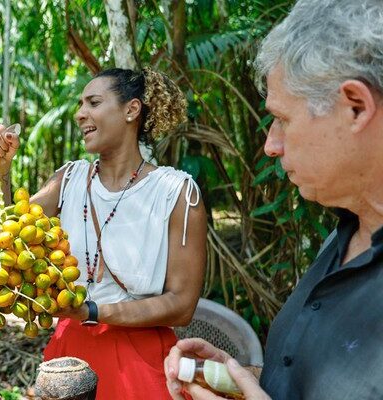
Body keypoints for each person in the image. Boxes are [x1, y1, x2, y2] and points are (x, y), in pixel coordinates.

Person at [163, 1, 383, 399]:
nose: (270, 145)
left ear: (356, 107)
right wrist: (238, 378)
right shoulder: (347, 234)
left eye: (282, 119)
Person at [0, 68, 207, 399]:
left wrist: (93, 311)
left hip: (142, 362)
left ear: (131, 110)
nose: (79, 113)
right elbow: (0, 234)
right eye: (80, 104)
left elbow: (181, 305)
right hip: (69, 355)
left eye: (93, 102)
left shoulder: (177, 192)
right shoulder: (68, 180)